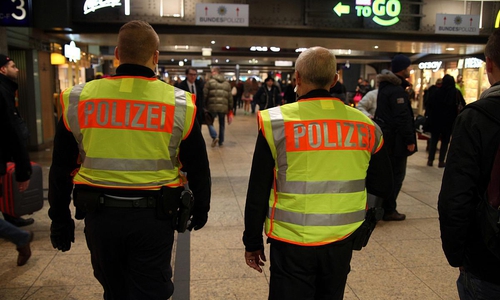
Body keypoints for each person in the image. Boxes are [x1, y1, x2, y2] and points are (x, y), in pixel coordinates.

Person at [48, 20, 211, 300]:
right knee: (151, 290)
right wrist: (202, 206)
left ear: (117, 54)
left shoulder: (77, 99)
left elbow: (61, 167)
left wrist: (59, 218)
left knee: (114, 290)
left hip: (100, 218)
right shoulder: (181, 104)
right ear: (155, 56)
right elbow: (198, 166)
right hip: (154, 218)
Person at [243, 46, 392, 300]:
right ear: (335, 80)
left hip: (290, 241)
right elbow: (383, 184)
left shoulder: (276, 122)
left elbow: (258, 187)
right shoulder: (365, 126)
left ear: (297, 78)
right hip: (342, 240)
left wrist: (252, 242)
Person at [439, 28, 500, 300]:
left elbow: (456, 197)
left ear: (489, 65)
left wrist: (458, 255)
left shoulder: (477, 118)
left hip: (489, 260)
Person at [374, 54, 417, 221]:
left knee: (389, 174)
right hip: (396, 141)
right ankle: (389, 209)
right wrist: (410, 140)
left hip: (387, 138)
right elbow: (402, 118)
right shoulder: (396, 91)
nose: (410, 70)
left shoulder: (385, 88)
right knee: (397, 175)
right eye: (409, 67)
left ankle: (384, 207)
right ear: (402, 68)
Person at [0, 54, 35, 228]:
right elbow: (11, 131)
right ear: (2, 69)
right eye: (13, 66)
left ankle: (11, 219)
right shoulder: (3, 91)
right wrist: (24, 169)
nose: (17, 69)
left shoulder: (7, 89)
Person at [425, 74, 465, 168]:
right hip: (449, 122)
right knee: (445, 142)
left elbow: (429, 105)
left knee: (434, 140)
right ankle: (441, 161)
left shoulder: (436, 92)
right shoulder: (456, 93)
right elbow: (462, 104)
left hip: (436, 121)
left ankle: (430, 160)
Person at [203, 66, 233, 147]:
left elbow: (205, 94)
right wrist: (230, 107)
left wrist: (204, 104)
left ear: (214, 72)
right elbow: (230, 97)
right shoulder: (227, 83)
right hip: (223, 107)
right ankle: (221, 141)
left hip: (211, 106)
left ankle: (214, 136)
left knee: (209, 121)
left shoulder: (209, 82)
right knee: (222, 124)